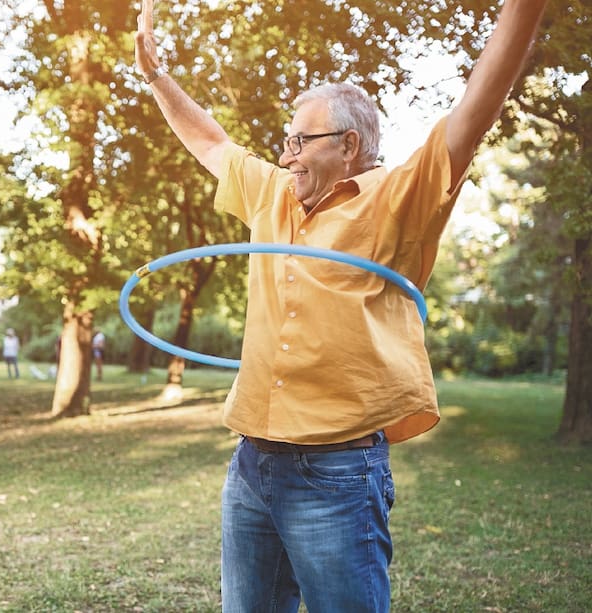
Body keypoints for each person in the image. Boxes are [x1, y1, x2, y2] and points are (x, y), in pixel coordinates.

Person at [134, 1, 549, 611]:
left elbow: (476, 107)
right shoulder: (274, 194)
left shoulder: (398, 197)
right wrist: (156, 76)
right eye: (286, 142)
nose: (286, 156)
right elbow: (211, 141)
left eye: (300, 141)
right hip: (251, 462)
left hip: (337, 472)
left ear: (349, 144)